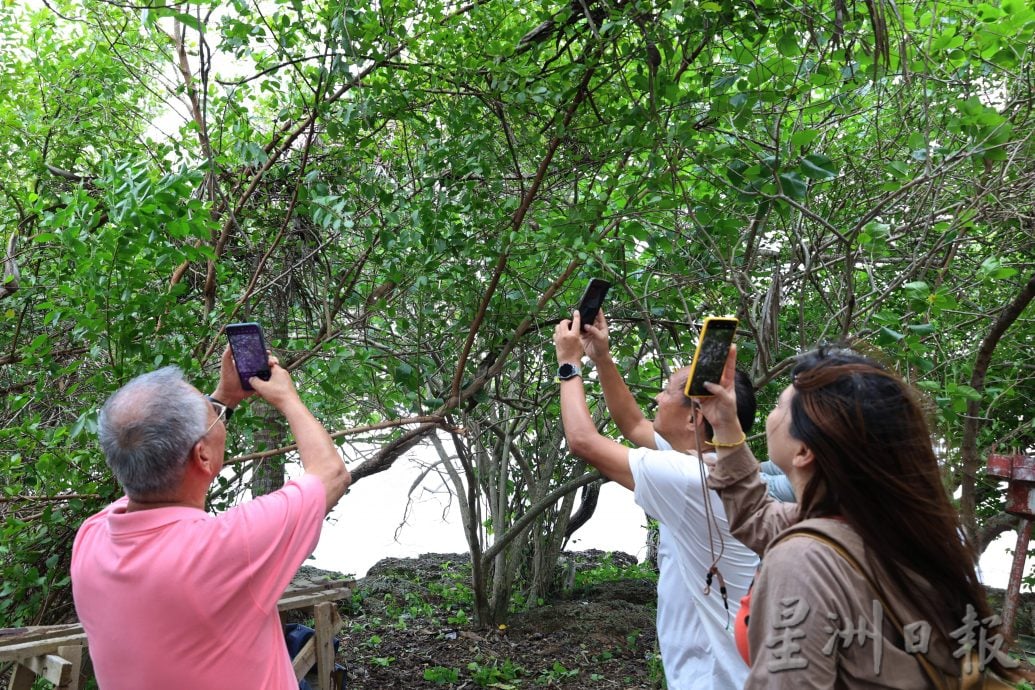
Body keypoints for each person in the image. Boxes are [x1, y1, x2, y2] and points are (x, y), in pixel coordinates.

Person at [700, 344, 1025, 688]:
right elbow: (756, 516)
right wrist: (724, 424)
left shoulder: (804, 560)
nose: (771, 415)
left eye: (780, 406)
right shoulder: (896, 531)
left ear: (804, 451)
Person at [71, 347, 350, 690]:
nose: (215, 411)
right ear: (201, 455)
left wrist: (224, 398)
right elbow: (331, 474)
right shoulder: (227, 549)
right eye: (211, 414)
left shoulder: (92, 538)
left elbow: (147, 456)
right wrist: (287, 398)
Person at [554, 309, 765, 689]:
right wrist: (601, 356)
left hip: (716, 678)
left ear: (693, 420)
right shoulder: (709, 465)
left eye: (667, 391)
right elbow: (632, 423)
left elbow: (583, 441)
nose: (657, 396)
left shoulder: (690, 480)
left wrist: (569, 364)